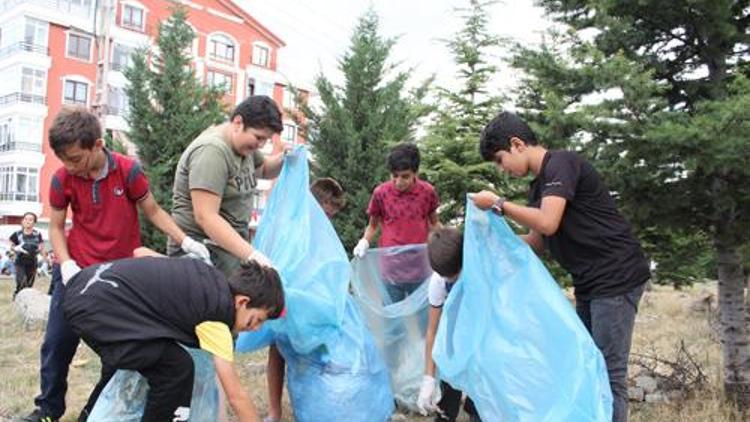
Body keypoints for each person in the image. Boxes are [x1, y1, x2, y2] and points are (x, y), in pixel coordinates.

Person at [21, 107, 212, 422]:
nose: (71, 166)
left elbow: (153, 211)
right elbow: (55, 227)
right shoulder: (63, 178)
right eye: (64, 160)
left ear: (97, 145)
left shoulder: (127, 171)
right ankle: (48, 409)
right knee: (57, 343)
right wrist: (66, 264)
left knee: (118, 353)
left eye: (76, 159)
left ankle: (94, 411)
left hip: (118, 281)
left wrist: (186, 241)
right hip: (76, 273)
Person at [471, 111, 650, 422]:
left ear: (517, 144)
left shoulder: (562, 163)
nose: (502, 169)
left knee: (608, 373)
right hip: (590, 283)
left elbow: (548, 223)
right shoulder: (538, 188)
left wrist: (499, 204)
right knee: (585, 364)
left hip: (617, 276)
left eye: (500, 160)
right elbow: (537, 242)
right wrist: (491, 243)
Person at [62, 256, 285, 422]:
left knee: (147, 357)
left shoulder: (209, 278)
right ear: (243, 302)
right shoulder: (217, 315)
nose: (256, 329)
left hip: (89, 287)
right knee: (176, 369)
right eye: (257, 320)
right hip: (97, 307)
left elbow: (143, 253)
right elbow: (236, 394)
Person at [169, 95, 287, 277]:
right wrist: (253, 255)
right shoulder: (212, 152)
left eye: (267, 140)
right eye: (258, 137)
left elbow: (263, 170)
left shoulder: (244, 148)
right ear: (238, 122)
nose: (261, 145)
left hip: (229, 252)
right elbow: (206, 217)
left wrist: (284, 160)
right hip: (202, 255)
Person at [264, 177, 346, 422]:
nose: (328, 221)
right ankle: (274, 411)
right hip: (289, 297)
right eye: (326, 215)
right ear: (314, 204)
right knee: (277, 350)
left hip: (312, 302)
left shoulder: (324, 233)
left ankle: (315, 405)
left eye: (332, 217)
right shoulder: (292, 225)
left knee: (316, 351)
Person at [352, 143, 440, 301]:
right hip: (391, 269)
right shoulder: (381, 193)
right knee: (392, 317)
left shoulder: (427, 192)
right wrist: (364, 241)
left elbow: (434, 224)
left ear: (415, 173)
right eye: (394, 175)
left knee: (422, 317)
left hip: (420, 267)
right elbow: (373, 225)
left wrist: (447, 242)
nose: (399, 181)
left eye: (405, 176)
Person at [416, 228, 481, 422]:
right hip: (454, 340)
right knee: (447, 400)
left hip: (482, 340)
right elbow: (432, 331)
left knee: (479, 404)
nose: (452, 279)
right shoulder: (439, 282)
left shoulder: (480, 273)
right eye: (447, 276)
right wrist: (428, 378)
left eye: (455, 274)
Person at [9, 212, 47, 299]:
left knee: (29, 285)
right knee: (21, 282)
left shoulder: (37, 234)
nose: (28, 221)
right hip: (20, 262)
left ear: (34, 222)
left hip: (33, 262)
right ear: (22, 221)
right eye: (25, 219)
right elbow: (11, 246)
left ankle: (25, 301)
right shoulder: (17, 234)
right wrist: (15, 248)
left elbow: (41, 247)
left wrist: (45, 262)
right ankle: (17, 298)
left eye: (30, 219)